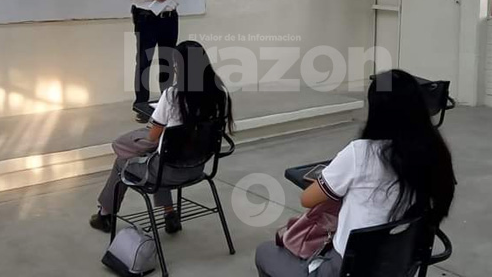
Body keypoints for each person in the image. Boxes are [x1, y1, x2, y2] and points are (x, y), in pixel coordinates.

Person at [255, 69, 456, 277]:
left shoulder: (360, 153)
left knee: (265, 252)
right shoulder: (434, 153)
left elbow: (307, 199)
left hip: (344, 269)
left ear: (376, 110)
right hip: (398, 266)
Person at [90, 41, 233, 234]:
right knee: (160, 155)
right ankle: (169, 213)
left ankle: (105, 215)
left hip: (167, 171)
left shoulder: (172, 95)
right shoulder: (220, 94)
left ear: (180, 67)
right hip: (198, 167)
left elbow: (153, 136)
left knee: (124, 160)